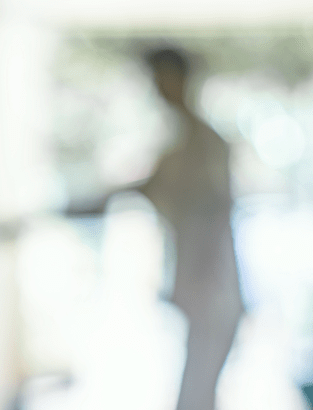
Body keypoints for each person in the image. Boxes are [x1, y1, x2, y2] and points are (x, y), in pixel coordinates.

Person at [70, 48, 244, 409]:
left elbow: (211, 212)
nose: (158, 89)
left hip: (211, 285)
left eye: (162, 79)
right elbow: (143, 189)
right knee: (195, 389)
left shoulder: (205, 145)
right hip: (197, 285)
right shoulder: (182, 147)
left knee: (198, 390)